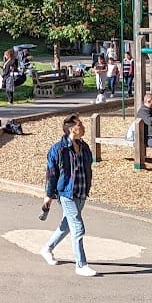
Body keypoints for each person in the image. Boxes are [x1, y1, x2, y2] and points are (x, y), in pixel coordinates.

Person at [39, 114, 97, 277]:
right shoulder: (58, 149)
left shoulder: (84, 147)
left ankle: (47, 248)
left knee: (66, 225)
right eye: (81, 124)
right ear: (73, 129)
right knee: (77, 226)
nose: (84, 126)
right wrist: (49, 195)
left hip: (81, 192)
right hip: (67, 193)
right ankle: (81, 264)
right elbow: (51, 173)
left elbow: (88, 168)